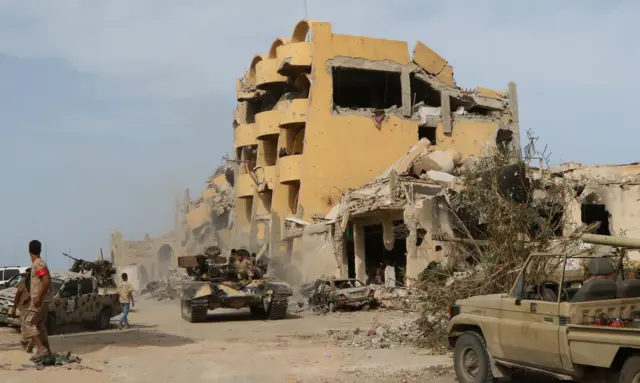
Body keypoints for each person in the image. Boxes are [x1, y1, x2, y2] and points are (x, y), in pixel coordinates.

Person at [24, 240, 52, 361]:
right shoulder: (41, 263)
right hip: (44, 300)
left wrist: (38, 296)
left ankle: (41, 349)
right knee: (40, 325)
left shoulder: (37, 264)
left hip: (39, 300)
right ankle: (47, 351)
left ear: (29, 251)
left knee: (28, 322)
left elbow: (45, 280)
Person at [11, 268, 33, 353]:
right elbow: (18, 294)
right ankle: (25, 343)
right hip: (24, 307)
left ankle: (29, 343)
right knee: (25, 325)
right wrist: (14, 307)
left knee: (30, 325)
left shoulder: (36, 282)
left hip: (33, 307)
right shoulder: (23, 282)